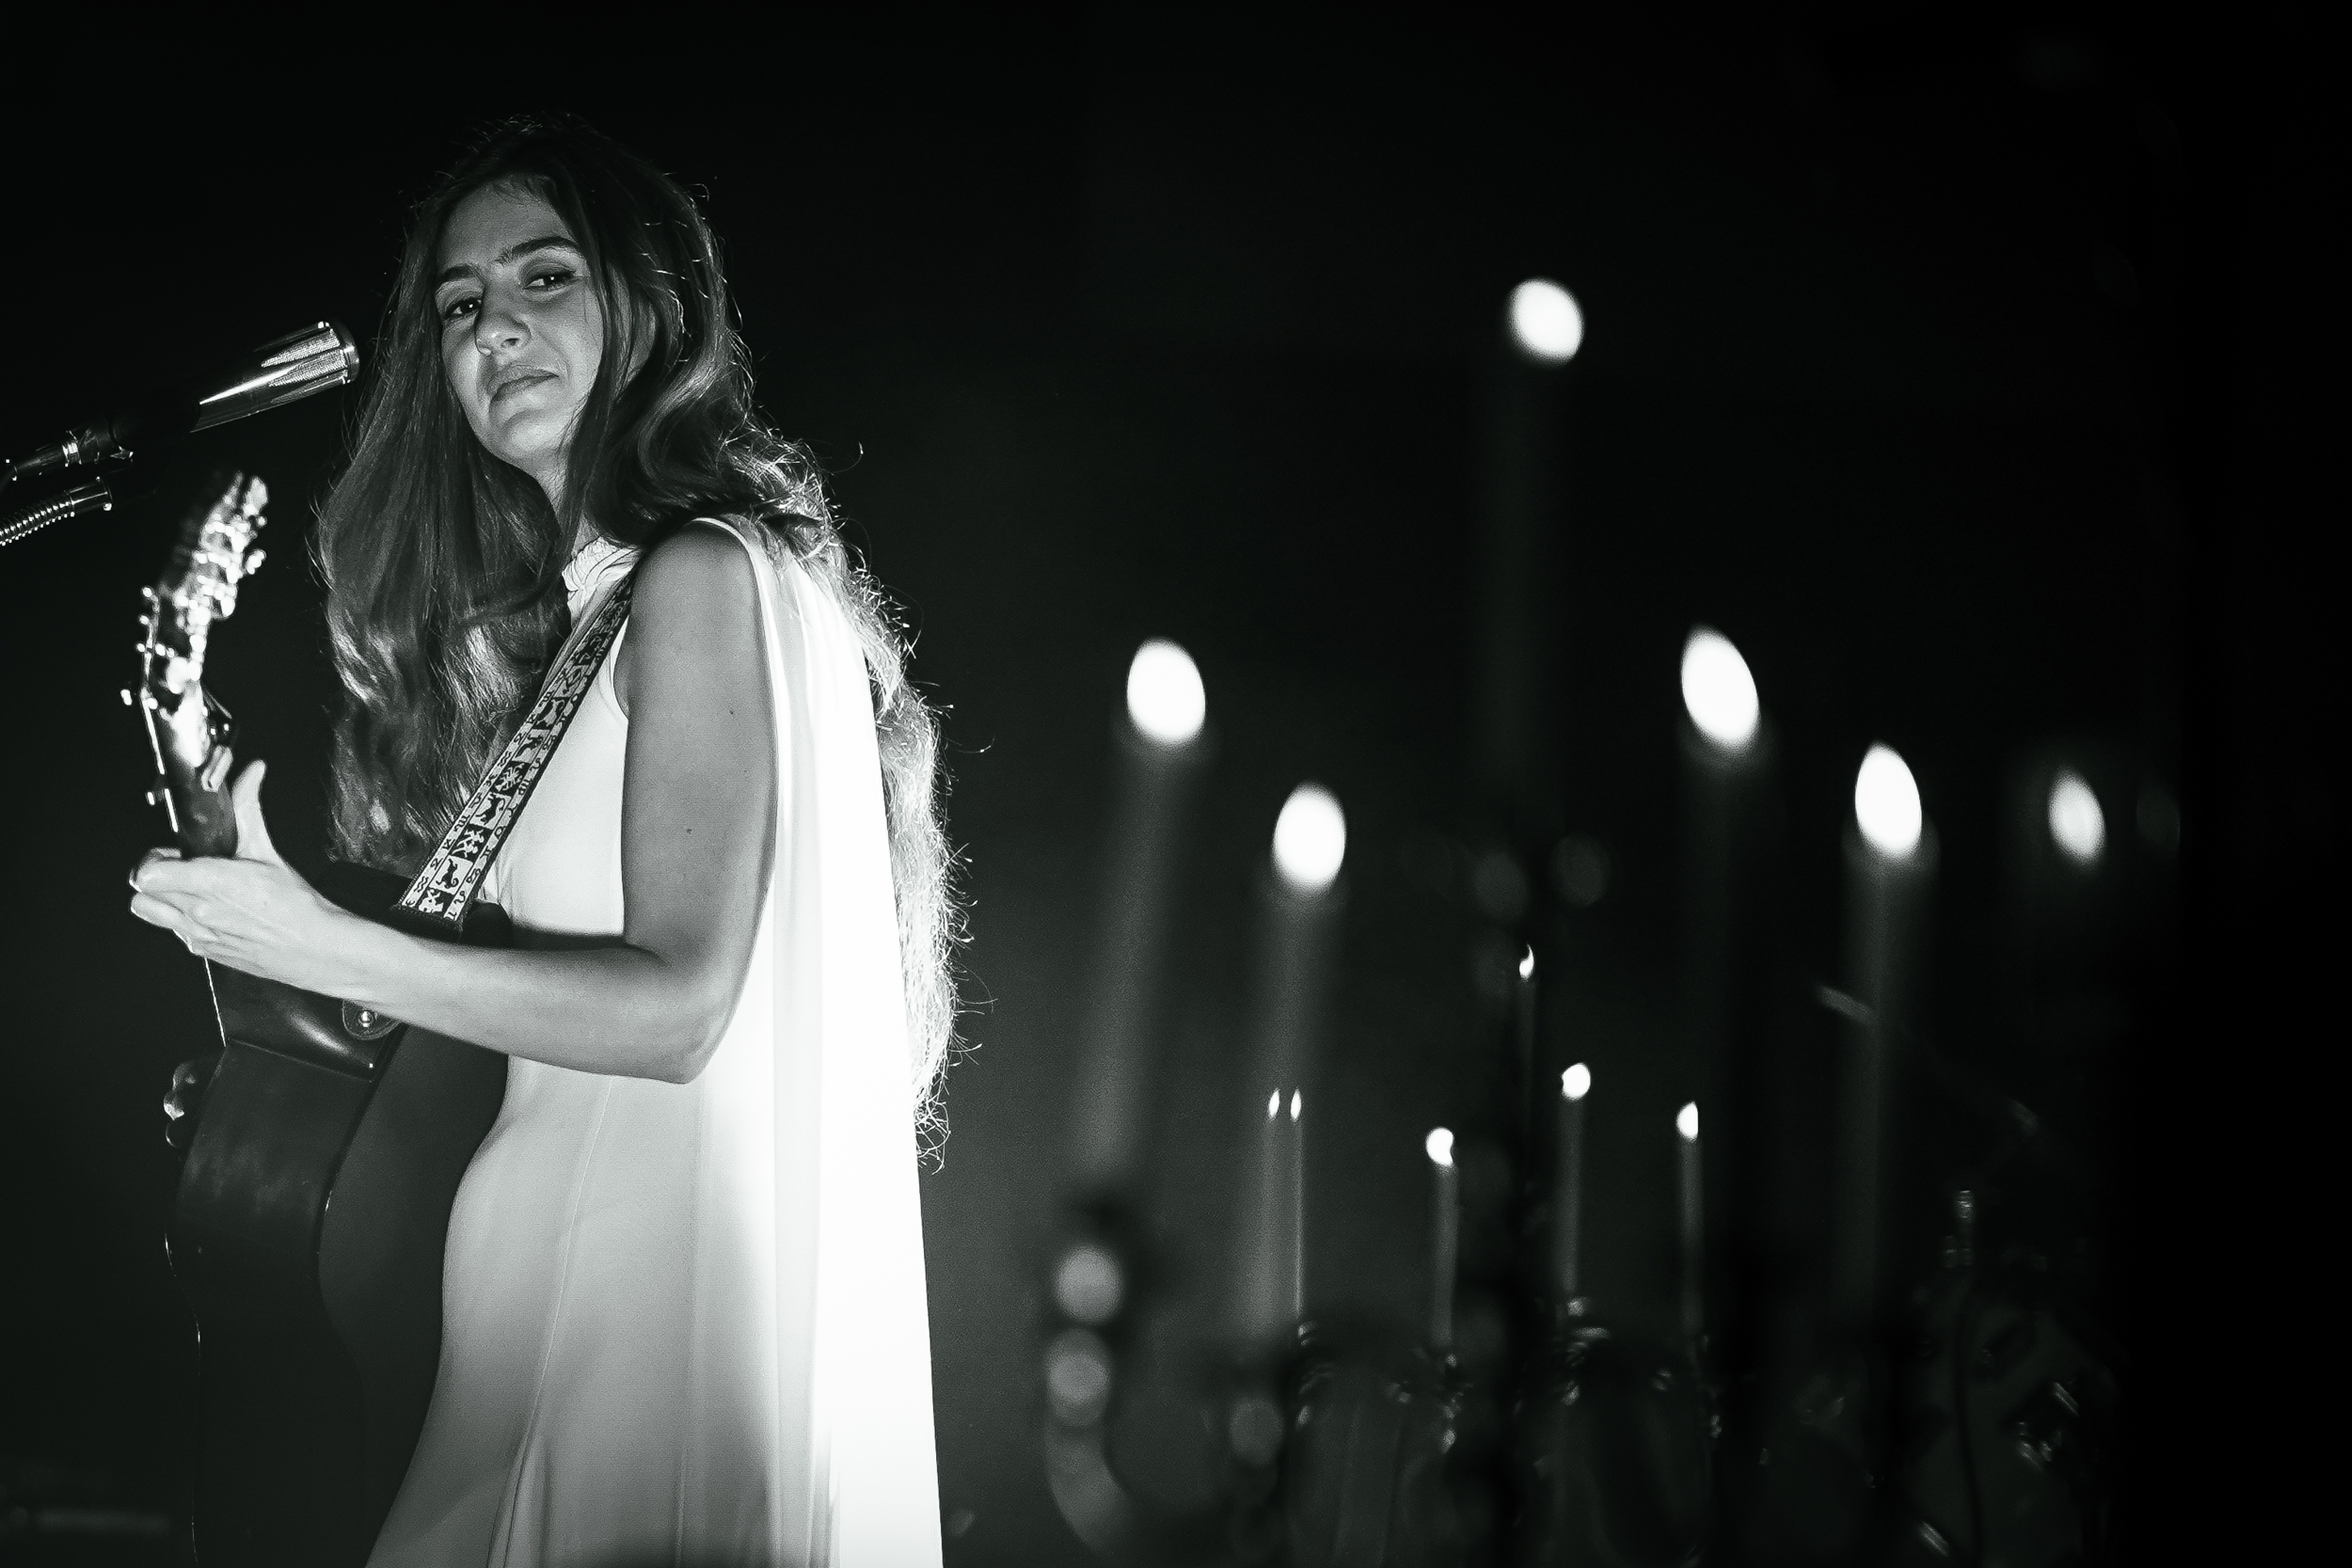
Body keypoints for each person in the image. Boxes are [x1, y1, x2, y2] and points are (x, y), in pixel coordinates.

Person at [128, 117, 956, 1566]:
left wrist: (330, 944)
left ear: (649, 307)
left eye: (544, 277)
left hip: (628, 1341)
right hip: (534, 1339)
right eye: (460, 305)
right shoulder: (609, 618)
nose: (494, 328)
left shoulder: (700, 578)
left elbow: (679, 1010)